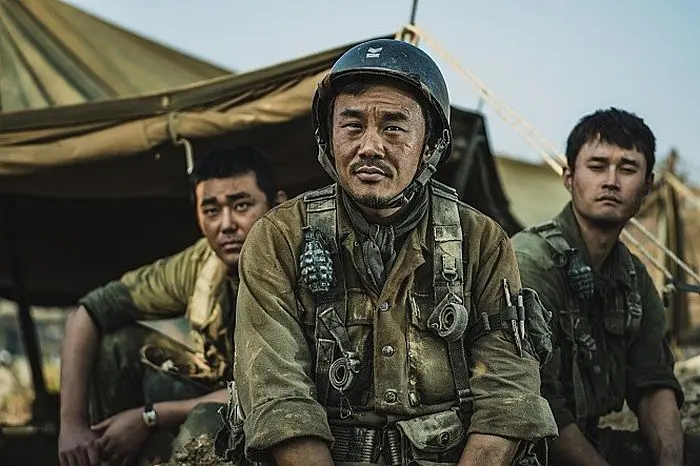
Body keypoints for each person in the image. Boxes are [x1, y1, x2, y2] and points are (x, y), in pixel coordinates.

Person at [233, 38, 557, 466]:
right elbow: (278, 396)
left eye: (393, 127)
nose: (370, 146)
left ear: (431, 144)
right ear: (328, 138)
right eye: (352, 125)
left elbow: (507, 397)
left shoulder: (481, 241)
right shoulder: (279, 237)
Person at [57, 145, 286, 466]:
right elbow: (87, 313)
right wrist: (72, 426)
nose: (226, 225)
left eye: (242, 205)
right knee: (118, 346)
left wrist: (150, 416)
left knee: (207, 420)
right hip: (217, 388)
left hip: (278, 407)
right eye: (211, 210)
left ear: (278, 205)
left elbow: (273, 387)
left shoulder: (300, 264)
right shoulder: (201, 262)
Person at [512, 108, 698, 465]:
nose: (611, 181)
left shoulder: (633, 277)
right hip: (524, 445)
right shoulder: (532, 261)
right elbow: (532, 403)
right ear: (569, 178)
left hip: (585, 438)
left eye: (627, 169)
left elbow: (653, 380)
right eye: (597, 166)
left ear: (647, 185)